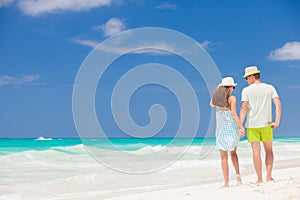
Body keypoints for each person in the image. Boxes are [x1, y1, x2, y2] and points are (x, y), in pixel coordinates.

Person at [239, 66, 282, 184]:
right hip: (266, 125)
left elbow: (243, 109)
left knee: (256, 151)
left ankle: (259, 179)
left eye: (247, 78)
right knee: (269, 150)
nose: (246, 80)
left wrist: (240, 125)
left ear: (252, 76)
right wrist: (277, 122)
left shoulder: (246, 91)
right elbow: (279, 105)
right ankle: (269, 176)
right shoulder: (270, 88)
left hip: (252, 126)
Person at [210, 77, 244, 188]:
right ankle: (238, 174)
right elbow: (234, 114)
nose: (233, 89)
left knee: (223, 157)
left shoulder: (216, 100)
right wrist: (241, 127)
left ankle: (226, 183)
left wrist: (218, 89)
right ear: (230, 87)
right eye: (233, 87)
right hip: (231, 129)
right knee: (233, 153)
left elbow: (211, 103)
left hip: (220, 131)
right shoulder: (232, 99)